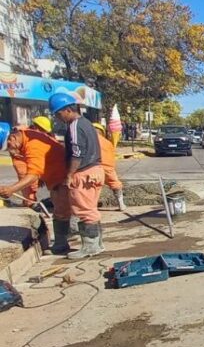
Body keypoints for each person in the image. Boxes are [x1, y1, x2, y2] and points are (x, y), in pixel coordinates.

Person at [0, 123, 72, 253]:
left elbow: (33, 174)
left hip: (62, 180)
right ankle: (63, 242)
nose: (10, 150)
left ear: (13, 138)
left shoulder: (32, 145)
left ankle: (69, 244)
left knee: (64, 213)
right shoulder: (28, 136)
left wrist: (12, 189)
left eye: (9, 146)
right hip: (56, 179)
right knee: (61, 212)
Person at [50, 93, 105, 259]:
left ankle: (91, 247)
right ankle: (96, 244)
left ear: (67, 110)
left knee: (85, 210)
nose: (58, 118)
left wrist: (69, 175)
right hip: (94, 170)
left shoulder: (75, 126)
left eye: (58, 114)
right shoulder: (86, 123)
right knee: (89, 209)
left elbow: (77, 153)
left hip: (84, 173)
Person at [92, 122, 127, 211]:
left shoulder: (89, 140)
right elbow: (112, 156)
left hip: (94, 167)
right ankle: (121, 204)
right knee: (116, 185)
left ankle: (92, 207)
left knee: (93, 187)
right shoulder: (108, 143)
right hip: (108, 169)